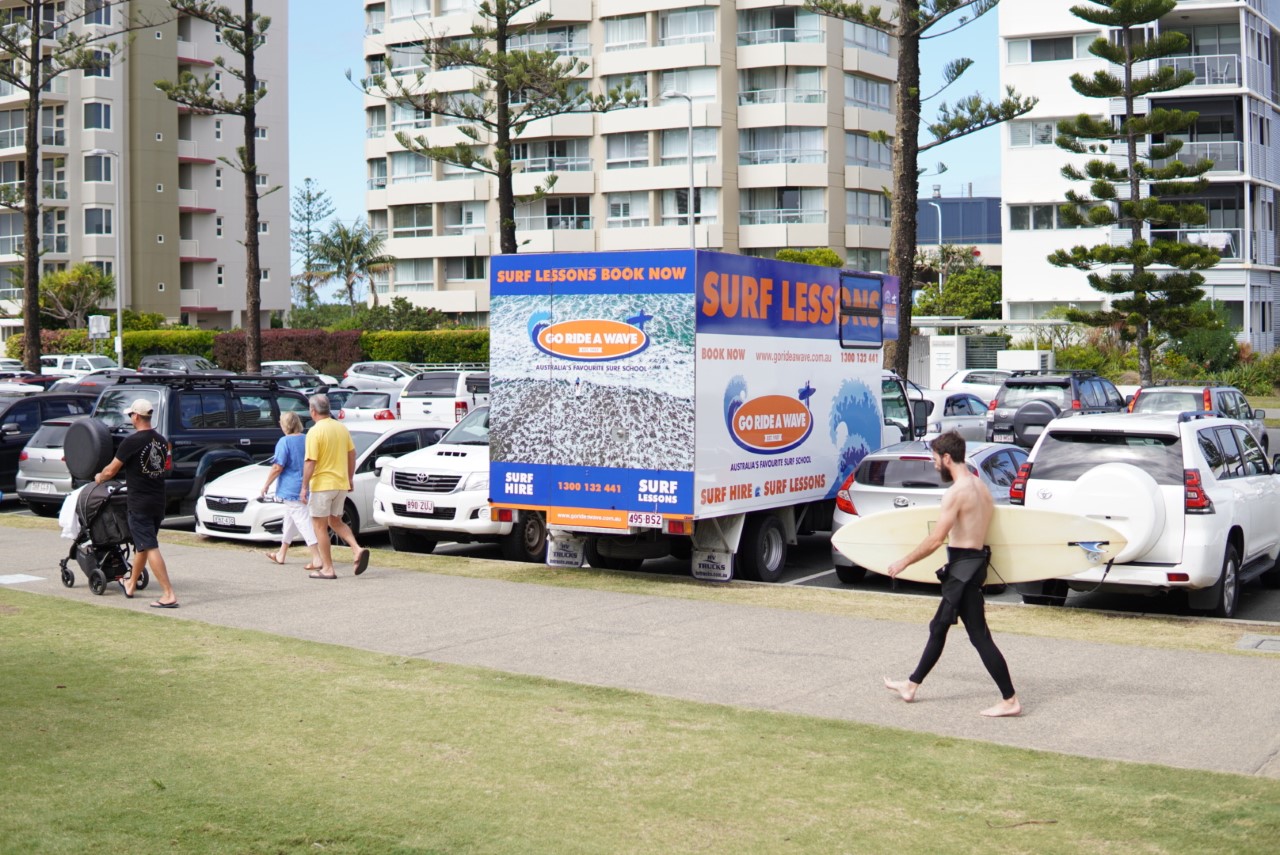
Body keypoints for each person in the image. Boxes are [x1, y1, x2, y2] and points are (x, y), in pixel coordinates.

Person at [883, 430, 1020, 717]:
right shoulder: (980, 486)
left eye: (935, 460)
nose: (934, 465)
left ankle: (1010, 700)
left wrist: (903, 562)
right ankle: (911, 685)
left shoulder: (956, 493)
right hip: (973, 562)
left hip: (963, 569)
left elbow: (936, 539)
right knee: (940, 626)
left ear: (947, 458)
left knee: (979, 636)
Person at [94, 398, 179, 609]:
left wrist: (99, 477)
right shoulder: (161, 440)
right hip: (158, 501)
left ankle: (168, 594)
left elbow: (111, 470)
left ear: (136, 416)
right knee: (143, 544)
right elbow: (166, 467)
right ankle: (130, 583)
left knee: (149, 545)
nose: (130, 418)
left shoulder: (131, 442)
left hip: (139, 502)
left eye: (131, 415)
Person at [300, 393, 370, 579]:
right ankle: (356, 549)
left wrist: (304, 486)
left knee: (319, 526)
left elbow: (310, 462)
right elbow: (352, 454)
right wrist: (349, 478)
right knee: (335, 521)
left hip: (323, 484)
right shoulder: (341, 428)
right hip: (340, 484)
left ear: (313, 411)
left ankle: (328, 568)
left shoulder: (314, 431)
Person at [260, 410, 322, 571]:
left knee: (302, 521)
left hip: (292, 488)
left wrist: (266, 484)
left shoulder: (284, 442)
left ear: (285, 425)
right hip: (307, 485)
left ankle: (317, 557)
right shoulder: (306, 439)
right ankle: (282, 553)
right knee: (290, 519)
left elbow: (277, 466)